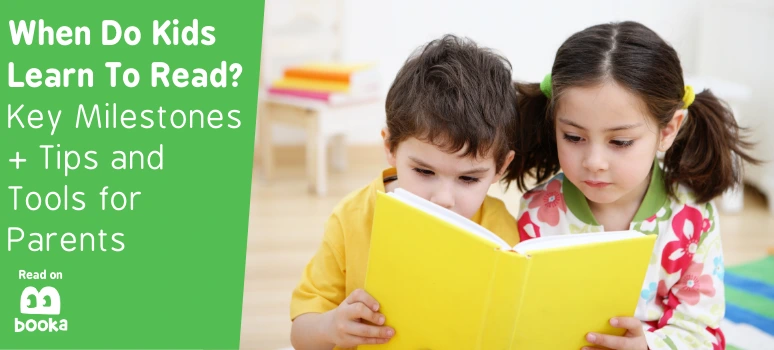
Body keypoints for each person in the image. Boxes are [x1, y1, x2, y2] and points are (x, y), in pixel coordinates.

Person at [504, 21, 760, 350]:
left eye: (621, 141)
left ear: (668, 131)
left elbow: (700, 332)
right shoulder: (540, 212)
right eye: (573, 137)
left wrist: (647, 346)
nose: (594, 161)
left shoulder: (692, 218)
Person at [289, 34, 521, 350]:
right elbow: (301, 334)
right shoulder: (353, 218)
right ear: (390, 149)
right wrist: (331, 327)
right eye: (424, 172)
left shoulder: (499, 226)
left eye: (468, 179)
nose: (443, 199)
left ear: (501, 168)